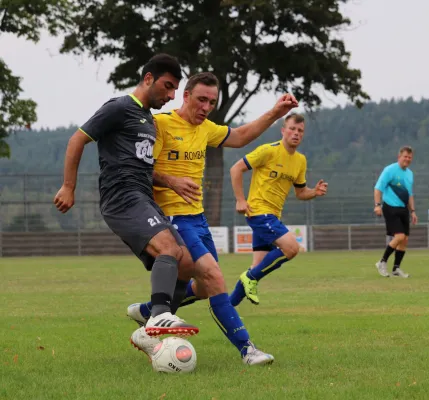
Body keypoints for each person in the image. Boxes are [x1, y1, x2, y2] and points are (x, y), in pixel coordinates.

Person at [125, 72, 299, 365]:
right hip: (172, 218)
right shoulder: (162, 124)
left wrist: (276, 112)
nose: (206, 107)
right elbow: (141, 169)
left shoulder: (206, 128)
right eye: (201, 99)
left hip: (198, 219)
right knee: (215, 278)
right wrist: (172, 181)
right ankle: (248, 350)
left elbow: (241, 136)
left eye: (212, 102)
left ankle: (148, 311)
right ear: (186, 96)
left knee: (205, 287)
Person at [53, 54, 201, 337]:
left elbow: (142, 164)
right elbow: (78, 139)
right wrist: (68, 186)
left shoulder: (147, 118)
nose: (171, 96)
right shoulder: (120, 107)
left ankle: (148, 327)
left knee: (186, 263)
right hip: (122, 196)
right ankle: (159, 316)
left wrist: (169, 180)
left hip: (143, 197)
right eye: (167, 86)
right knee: (169, 249)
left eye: (174, 89)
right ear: (148, 79)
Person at [227, 113, 328, 306]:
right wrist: (240, 199)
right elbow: (236, 169)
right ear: (283, 130)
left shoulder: (300, 161)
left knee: (257, 266)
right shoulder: (268, 151)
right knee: (291, 248)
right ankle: (251, 277)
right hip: (258, 212)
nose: (296, 133)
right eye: (292, 129)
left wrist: (314, 191)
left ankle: (227, 308)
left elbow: (300, 193)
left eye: (300, 131)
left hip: (273, 216)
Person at [373, 146, 417, 278]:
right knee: (399, 237)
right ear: (399, 157)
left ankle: (396, 269)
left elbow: (409, 195)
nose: (407, 159)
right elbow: (378, 188)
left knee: (404, 240)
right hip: (390, 207)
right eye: (405, 157)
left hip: (403, 209)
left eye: (410, 157)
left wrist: (413, 211)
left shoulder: (410, 174)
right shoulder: (389, 170)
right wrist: (377, 205)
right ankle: (382, 262)